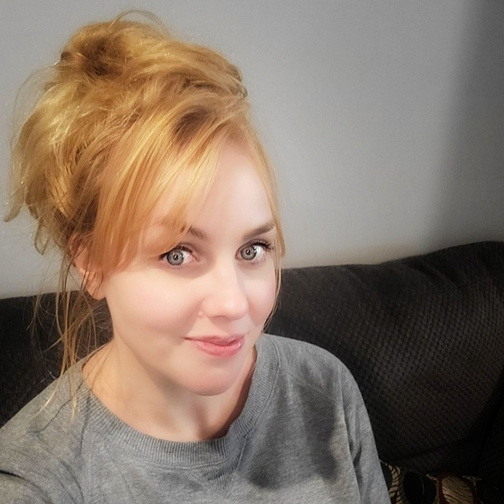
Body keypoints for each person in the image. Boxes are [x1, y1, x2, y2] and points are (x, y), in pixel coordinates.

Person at [0, 12, 389, 503]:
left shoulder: (324, 389)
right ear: (91, 263)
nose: (234, 304)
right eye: (177, 255)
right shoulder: (38, 484)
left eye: (252, 249)